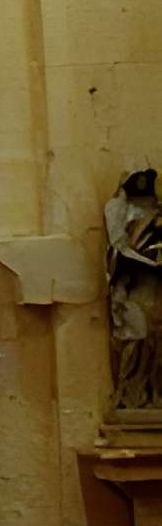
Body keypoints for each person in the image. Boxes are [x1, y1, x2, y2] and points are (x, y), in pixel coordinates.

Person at [105, 169, 162, 409]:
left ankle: (151, 393)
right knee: (136, 336)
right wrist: (148, 262)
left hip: (151, 287)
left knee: (155, 340)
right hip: (129, 286)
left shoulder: (155, 213)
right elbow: (120, 248)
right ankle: (129, 392)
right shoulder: (119, 208)